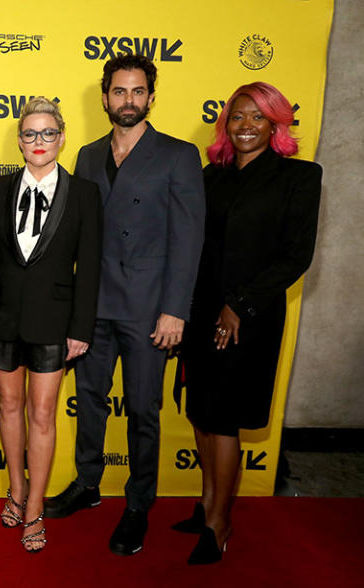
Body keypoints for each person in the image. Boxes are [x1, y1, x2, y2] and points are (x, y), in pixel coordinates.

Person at [44, 54, 205, 557]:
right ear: (106, 96)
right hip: (94, 306)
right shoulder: (88, 155)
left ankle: (138, 505)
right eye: (119, 91)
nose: (128, 101)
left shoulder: (178, 155)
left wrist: (175, 310)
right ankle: (88, 484)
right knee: (88, 401)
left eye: (138, 92)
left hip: (148, 308)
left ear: (151, 98)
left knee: (142, 409)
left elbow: (189, 238)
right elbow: (76, 236)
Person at [175, 82, 321, 564]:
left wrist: (239, 304)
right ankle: (205, 502)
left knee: (225, 419)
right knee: (201, 412)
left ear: (277, 124)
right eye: (237, 117)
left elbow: (294, 258)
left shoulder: (299, 178)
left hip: (247, 317)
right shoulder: (209, 177)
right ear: (225, 124)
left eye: (258, 117)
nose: (246, 126)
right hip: (201, 311)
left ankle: (220, 522)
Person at [0, 98, 102, 552]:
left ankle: (35, 505)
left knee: (42, 413)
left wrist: (82, 328)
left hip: (55, 322)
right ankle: (16, 488)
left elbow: (89, 267)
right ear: (19, 141)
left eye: (47, 133)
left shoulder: (84, 193)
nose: (39, 142)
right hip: (3, 320)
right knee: (8, 405)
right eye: (30, 134)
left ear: (62, 138)